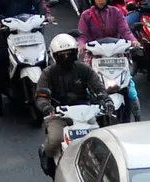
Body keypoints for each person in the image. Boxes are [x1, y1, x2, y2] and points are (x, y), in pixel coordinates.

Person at [36, 33, 107, 162]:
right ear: (54, 56)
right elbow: (41, 96)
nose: (66, 57)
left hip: (85, 113)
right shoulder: (48, 73)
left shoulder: (85, 69)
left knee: (101, 140)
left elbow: (99, 88)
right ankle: (48, 158)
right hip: (58, 114)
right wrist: (47, 107)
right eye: (62, 55)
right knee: (54, 140)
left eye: (69, 53)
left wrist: (105, 100)